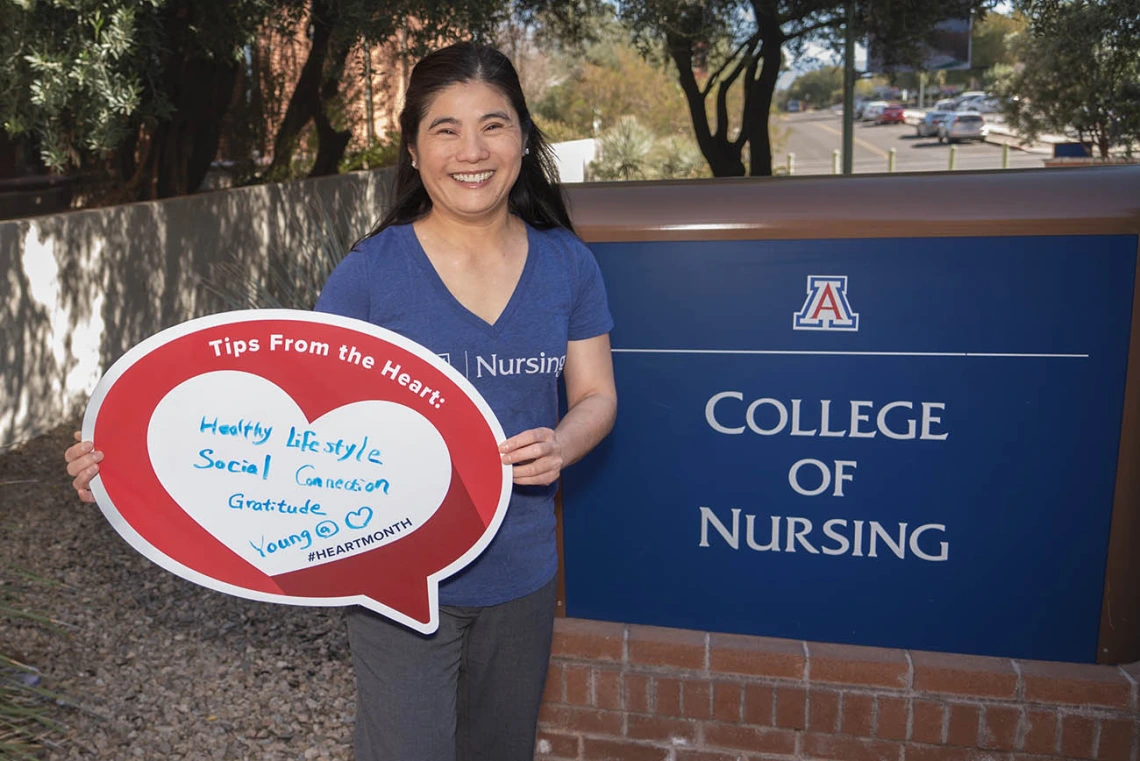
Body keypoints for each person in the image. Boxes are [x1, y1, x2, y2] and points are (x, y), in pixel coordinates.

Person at [64, 41, 617, 761]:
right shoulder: (369, 274)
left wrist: (564, 442)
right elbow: (290, 438)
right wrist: (124, 465)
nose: (471, 149)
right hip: (395, 576)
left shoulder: (568, 263)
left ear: (522, 136)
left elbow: (597, 394)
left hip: (523, 574)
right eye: (445, 128)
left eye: (494, 123)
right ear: (414, 150)